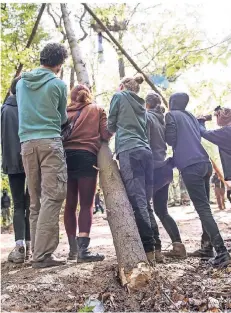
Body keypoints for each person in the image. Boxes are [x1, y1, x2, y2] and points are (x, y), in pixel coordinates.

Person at [16, 43, 68, 268]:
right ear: (59, 64)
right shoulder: (58, 84)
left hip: (26, 144)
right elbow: (63, 118)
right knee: (53, 195)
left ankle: (37, 252)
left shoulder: (20, 84)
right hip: (50, 142)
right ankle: (43, 255)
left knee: (35, 199)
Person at [165, 92, 230, 268]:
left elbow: (170, 139)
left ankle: (222, 251)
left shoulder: (171, 115)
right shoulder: (191, 117)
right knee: (205, 208)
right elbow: (199, 134)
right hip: (204, 164)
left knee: (203, 209)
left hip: (190, 166)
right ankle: (206, 247)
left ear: (172, 102)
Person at [107, 75, 156, 263]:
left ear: (122, 86)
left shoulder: (119, 96)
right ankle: (156, 247)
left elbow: (111, 124)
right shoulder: (142, 105)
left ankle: (148, 249)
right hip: (146, 151)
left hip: (129, 151)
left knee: (138, 201)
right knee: (145, 201)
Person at [63, 84, 111, 262]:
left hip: (65, 158)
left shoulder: (64, 112)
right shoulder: (97, 109)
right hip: (86, 156)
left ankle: (72, 250)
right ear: (88, 95)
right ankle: (84, 251)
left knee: (69, 204)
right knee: (86, 204)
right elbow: (106, 134)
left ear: (72, 96)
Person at [146, 91, 186, 262]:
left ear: (146, 104)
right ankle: (178, 246)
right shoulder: (164, 118)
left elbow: (145, 142)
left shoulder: (147, 117)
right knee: (161, 211)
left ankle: (156, 249)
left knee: (144, 207)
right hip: (165, 169)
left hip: (154, 169)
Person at [1, 77, 31, 263]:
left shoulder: (3, 110)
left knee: (19, 205)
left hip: (12, 162)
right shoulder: (30, 108)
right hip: (32, 159)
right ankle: (32, 246)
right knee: (33, 204)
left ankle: (20, 247)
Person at [198, 106, 231, 206]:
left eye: (217, 116)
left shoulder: (226, 132)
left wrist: (200, 122)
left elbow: (204, 133)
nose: (216, 119)